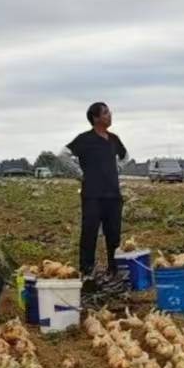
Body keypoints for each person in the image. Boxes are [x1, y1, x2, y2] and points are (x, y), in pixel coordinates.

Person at [66, 102, 128, 278]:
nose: (110, 115)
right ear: (96, 118)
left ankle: (114, 269)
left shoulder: (113, 139)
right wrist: (79, 173)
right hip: (92, 195)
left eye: (109, 112)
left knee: (114, 234)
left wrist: (118, 169)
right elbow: (62, 155)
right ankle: (87, 271)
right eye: (106, 113)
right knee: (89, 233)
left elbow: (126, 156)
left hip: (113, 195)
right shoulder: (85, 139)